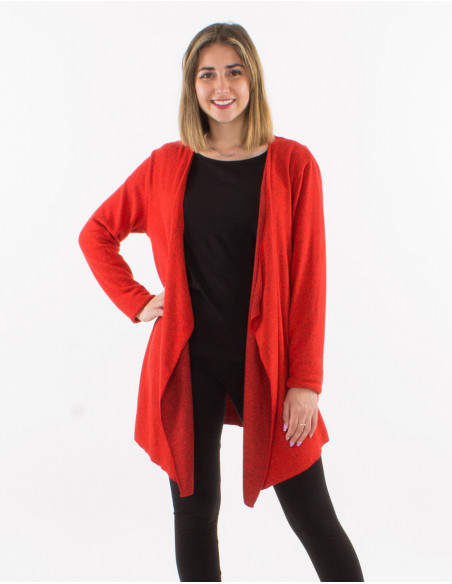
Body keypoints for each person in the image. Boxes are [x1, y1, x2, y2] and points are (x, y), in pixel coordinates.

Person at [79, 21, 364, 582]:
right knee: (194, 514)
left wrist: (305, 382)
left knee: (313, 516)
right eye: (207, 74)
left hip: (270, 365)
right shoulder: (166, 165)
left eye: (233, 72)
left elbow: (310, 279)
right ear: (192, 85)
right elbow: (97, 233)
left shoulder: (293, 165)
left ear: (252, 78)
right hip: (187, 364)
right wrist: (137, 301)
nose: (221, 86)